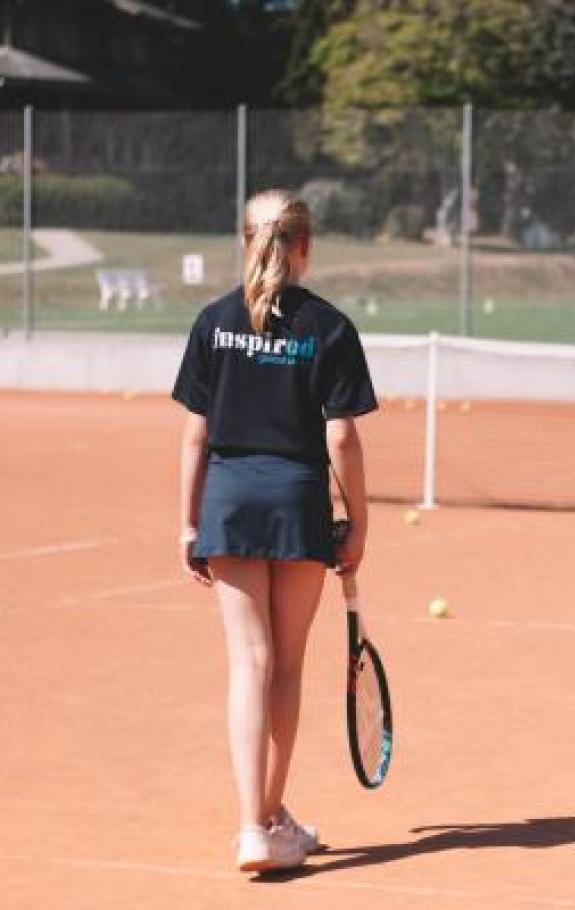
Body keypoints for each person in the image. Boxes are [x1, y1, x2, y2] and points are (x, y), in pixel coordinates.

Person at [172, 190, 377, 872]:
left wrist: (189, 522)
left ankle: (254, 828)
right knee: (284, 667)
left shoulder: (213, 321)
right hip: (296, 506)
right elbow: (341, 437)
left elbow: (196, 434)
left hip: (229, 505)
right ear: (305, 246)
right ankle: (265, 819)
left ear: (245, 241)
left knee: (247, 666)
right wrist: (359, 530)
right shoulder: (330, 325)